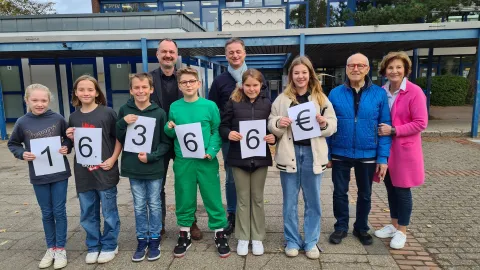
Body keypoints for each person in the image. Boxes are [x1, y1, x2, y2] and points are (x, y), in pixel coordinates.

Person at [268, 56, 337, 259]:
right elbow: (271, 122)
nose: (300, 76)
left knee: (313, 200)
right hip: (290, 153)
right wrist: (279, 123)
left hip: (312, 154)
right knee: (289, 201)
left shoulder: (321, 99)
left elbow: (333, 124)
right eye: (296, 73)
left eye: (304, 72)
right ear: (291, 76)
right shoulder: (282, 99)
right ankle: (291, 239)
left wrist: (324, 123)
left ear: (310, 74)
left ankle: (311, 241)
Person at [164, 67, 231, 258]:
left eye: (191, 81)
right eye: (184, 82)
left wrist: (211, 151)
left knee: (212, 196)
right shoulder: (175, 107)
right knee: (184, 196)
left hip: (205, 160)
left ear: (199, 83)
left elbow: (216, 130)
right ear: (179, 85)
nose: (188, 85)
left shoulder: (209, 106)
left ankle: (219, 233)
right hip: (184, 160)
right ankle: (184, 233)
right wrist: (168, 128)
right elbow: (171, 131)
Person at [327, 53, 392, 246]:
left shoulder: (379, 94)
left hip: (368, 152)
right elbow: (329, 126)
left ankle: (361, 228)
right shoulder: (335, 93)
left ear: (367, 69)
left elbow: (385, 126)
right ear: (346, 68)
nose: (356, 69)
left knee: (365, 193)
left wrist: (382, 158)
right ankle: (340, 227)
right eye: (352, 65)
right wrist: (328, 154)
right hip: (340, 150)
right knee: (339, 192)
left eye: (360, 65)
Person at [8, 84, 72, 269]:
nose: (39, 104)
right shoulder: (22, 122)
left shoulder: (57, 118)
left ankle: (60, 248)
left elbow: (68, 137)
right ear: (27, 100)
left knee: (59, 211)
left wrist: (66, 146)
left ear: (49, 100)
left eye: (43, 100)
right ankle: (50, 247)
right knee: (46, 212)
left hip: (59, 173)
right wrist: (22, 153)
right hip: (38, 174)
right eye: (35, 100)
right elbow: (13, 144)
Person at [208, 37, 269, 231]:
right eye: (231, 52)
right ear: (226, 55)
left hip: (256, 138)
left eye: (238, 51)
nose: (235, 55)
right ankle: (233, 213)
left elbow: (266, 104)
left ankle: (252, 213)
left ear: (245, 53)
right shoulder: (219, 81)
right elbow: (214, 108)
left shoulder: (258, 78)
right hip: (233, 139)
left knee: (255, 175)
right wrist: (226, 132)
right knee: (233, 178)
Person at [374, 51, 428, 249]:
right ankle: (394, 224)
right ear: (384, 71)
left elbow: (421, 123)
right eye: (390, 67)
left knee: (402, 191)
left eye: (398, 67)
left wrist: (395, 130)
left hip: (404, 151)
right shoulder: (382, 91)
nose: (394, 71)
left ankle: (402, 231)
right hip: (386, 150)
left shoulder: (414, 92)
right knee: (390, 188)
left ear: (405, 70)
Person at [219, 69, 276, 256]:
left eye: (255, 85)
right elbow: (223, 126)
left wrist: (273, 137)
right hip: (238, 157)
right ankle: (243, 236)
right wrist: (229, 134)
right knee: (243, 199)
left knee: (257, 198)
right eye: (248, 85)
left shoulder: (268, 104)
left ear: (261, 86)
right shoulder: (233, 102)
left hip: (260, 158)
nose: (251, 89)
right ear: (242, 85)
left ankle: (257, 237)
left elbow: (273, 127)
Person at [66, 75, 122, 264]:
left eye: (90, 89)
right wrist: (69, 138)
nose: (86, 93)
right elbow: (73, 145)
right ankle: (93, 245)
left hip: (105, 171)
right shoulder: (73, 116)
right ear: (75, 93)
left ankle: (110, 244)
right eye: (81, 89)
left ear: (97, 92)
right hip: (83, 174)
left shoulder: (107, 113)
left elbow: (118, 138)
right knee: (87, 212)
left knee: (109, 211)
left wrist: (113, 159)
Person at [116, 73, 172, 261]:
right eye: (136, 88)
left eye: (144, 87)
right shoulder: (125, 109)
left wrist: (152, 156)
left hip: (153, 167)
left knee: (154, 203)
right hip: (133, 167)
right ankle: (142, 239)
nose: (140, 91)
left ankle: (154, 238)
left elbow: (165, 142)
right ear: (131, 90)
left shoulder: (159, 112)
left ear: (151, 89)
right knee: (139, 205)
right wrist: (123, 122)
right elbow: (117, 135)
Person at [149, 38, 193, 238]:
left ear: (177, 55)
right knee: (158, 184)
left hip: (183, 139)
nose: (168, 55)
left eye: (171, 52)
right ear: (157, 55)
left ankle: (189, 222)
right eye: (163, 51)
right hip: (157, 140)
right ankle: (159, 223)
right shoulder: (147, 80)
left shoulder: (185, 79)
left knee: (187, 182)